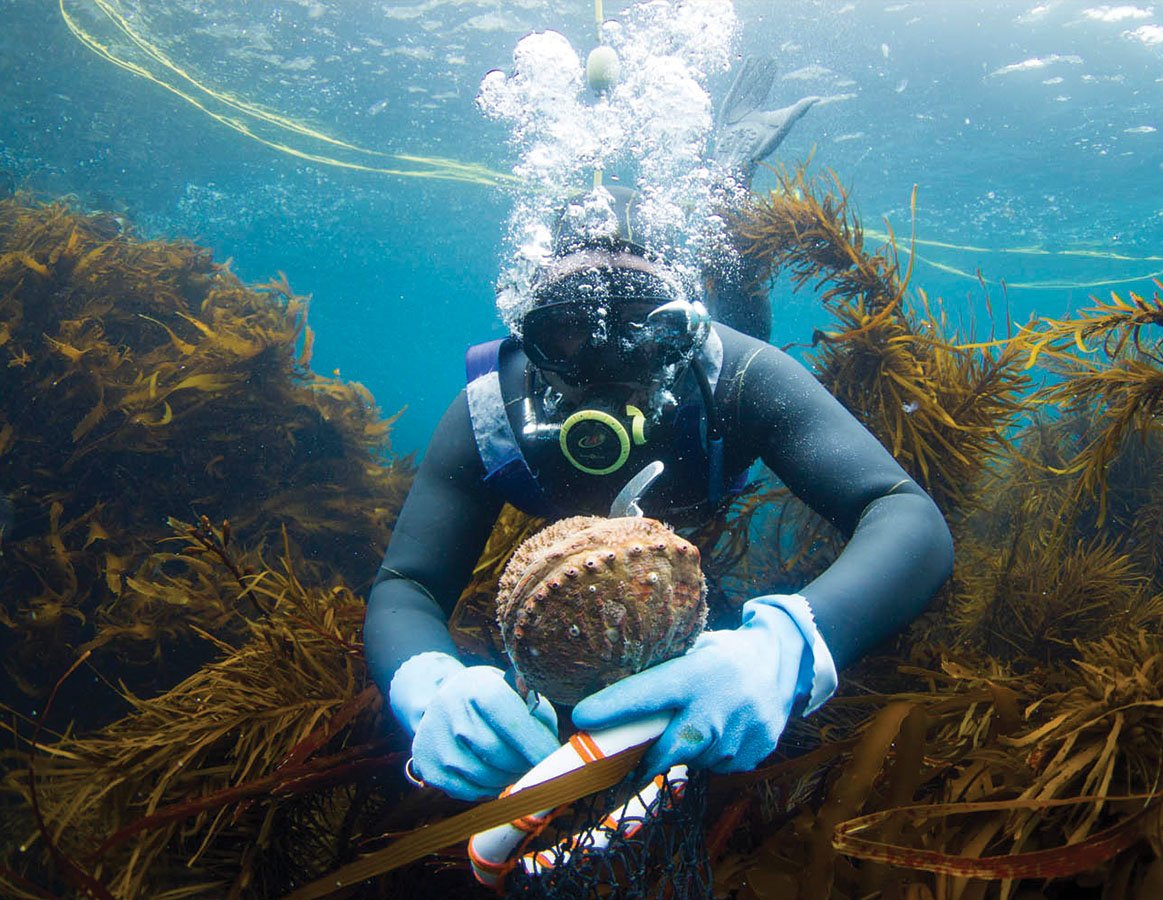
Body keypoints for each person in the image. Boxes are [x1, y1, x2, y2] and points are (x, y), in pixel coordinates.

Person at [364, 178, 954, 800]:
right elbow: (409, 586)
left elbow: (905, 513)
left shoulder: (742, 376)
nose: (608, 361)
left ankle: (735, 187)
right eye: (567, 332)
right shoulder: (492, 413)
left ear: (685, 330)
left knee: (748, 310)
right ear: (525, 340)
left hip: (712, 446)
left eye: (650, 329)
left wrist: (786, 652)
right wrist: (429, 690)